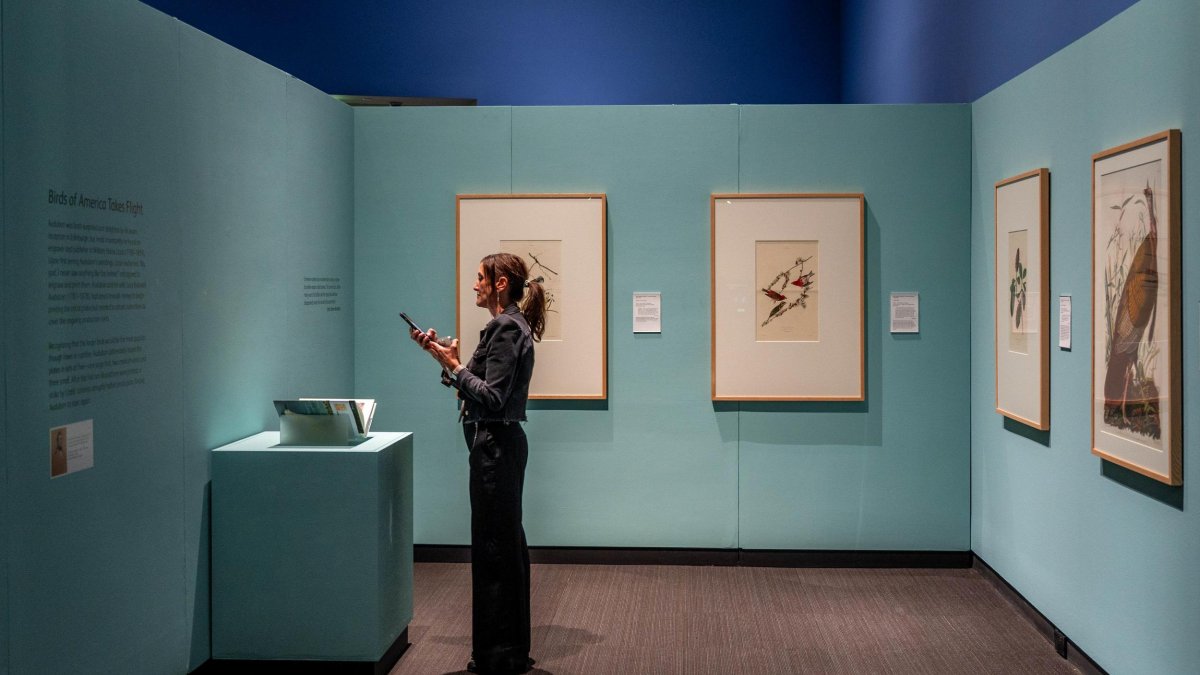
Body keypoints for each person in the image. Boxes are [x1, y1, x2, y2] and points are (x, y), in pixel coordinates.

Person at [411, 252, 545, 675]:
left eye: (480, 277)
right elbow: (478, 387)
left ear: (500, 282)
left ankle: (499, 656)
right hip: (496, 446)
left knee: (494, 550)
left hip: (496, 448)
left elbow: (493, 397)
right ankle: (507, 651)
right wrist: (443, 358)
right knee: (503, 547)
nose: (474, 284)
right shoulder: (507, 326)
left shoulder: (506, 326)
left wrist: (455, 367)